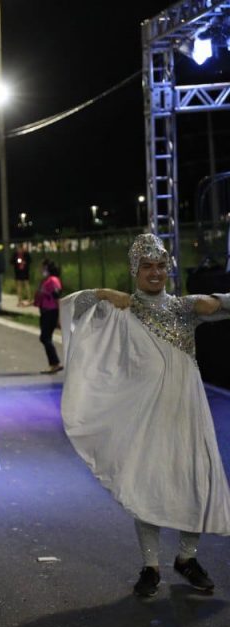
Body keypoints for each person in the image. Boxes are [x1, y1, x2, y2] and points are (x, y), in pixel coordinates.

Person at [59, 234, 230, 598]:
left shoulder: (184, 307)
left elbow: (223, 306)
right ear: (135, 270)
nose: (155, 273)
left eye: (160, 266)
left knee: (194, 481)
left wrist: (213, 301)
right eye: (147, 266)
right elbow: (73, 309)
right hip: (144, 413)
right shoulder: (121, 308)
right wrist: (105, 293)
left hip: (186, 412)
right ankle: (150, 566)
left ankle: (187, 558)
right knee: (147, 484)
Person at [34, 259, 63, 374]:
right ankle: (54, 363)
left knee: (45, 337)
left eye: (43, 268)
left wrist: (59, 317)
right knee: (45, 337)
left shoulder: (53, 280)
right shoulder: (47, 281)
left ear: (47, 268)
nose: (41, 270)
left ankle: (55, 363)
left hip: (51, 312)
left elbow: (57, 297)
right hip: (46, 311)